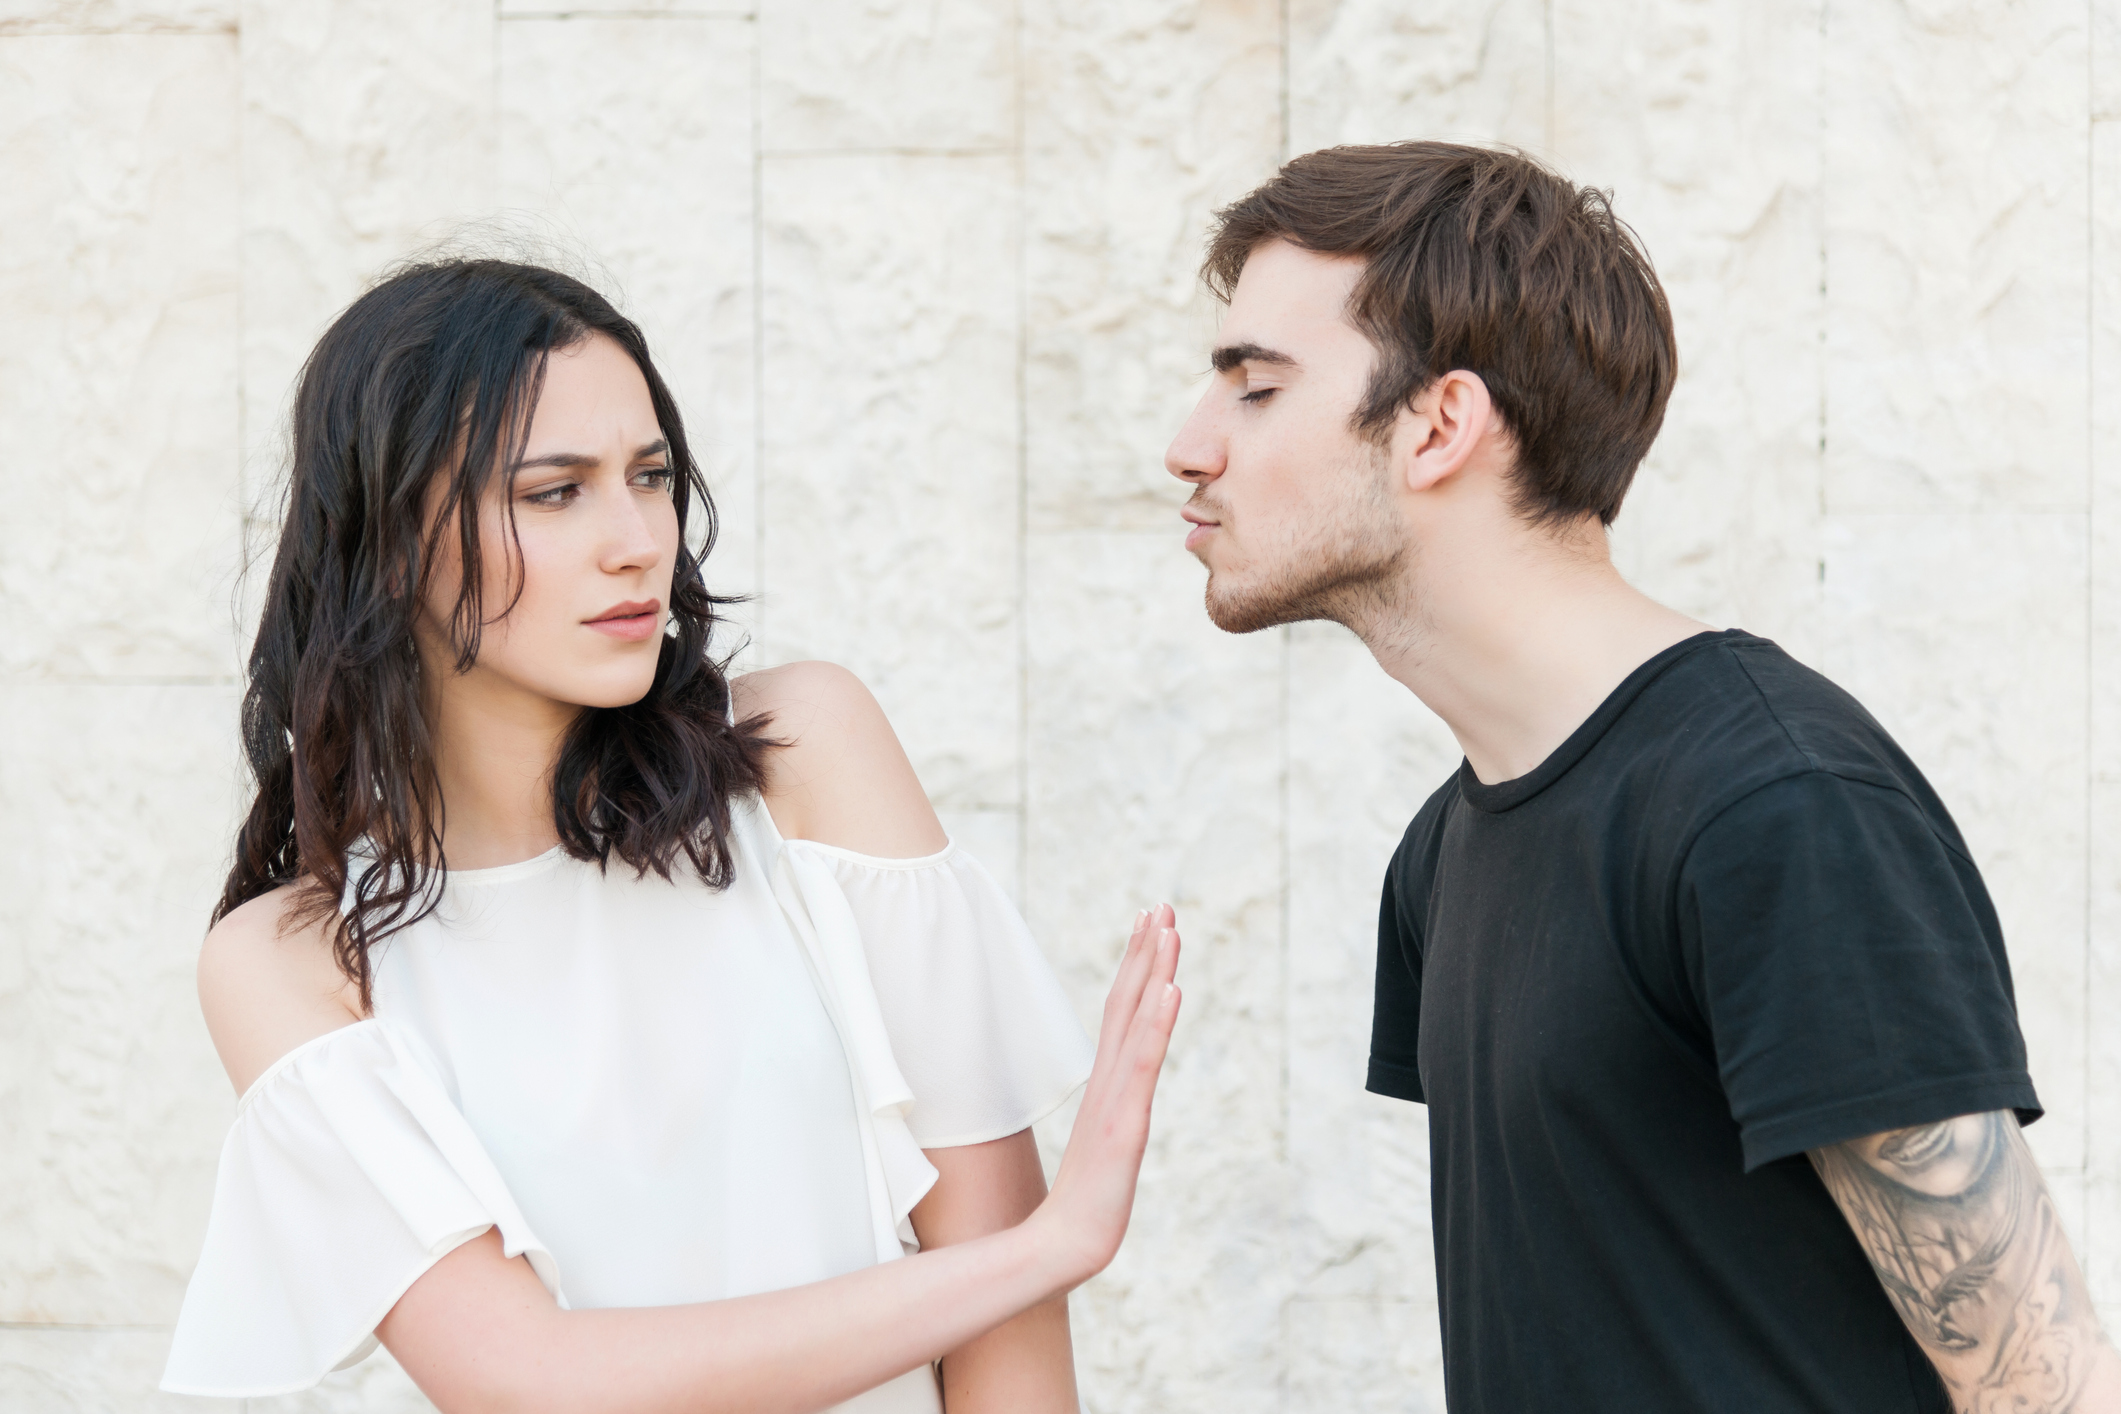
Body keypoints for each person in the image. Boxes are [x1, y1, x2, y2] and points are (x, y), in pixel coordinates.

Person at [1164, 141, 2121, 1413]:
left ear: (1440, 425)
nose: (1190, 446)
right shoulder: (1442, 856)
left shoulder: (1774, 809)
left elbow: (2041, 1382)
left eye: (1254, 388)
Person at [160, 258, 1183, 1414]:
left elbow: (1014, 1367)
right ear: (391, 539)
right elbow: (529, 1379)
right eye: (555, 492)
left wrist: (1017, 1267)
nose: (639, 540)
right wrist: (1042, 1251)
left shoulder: (804, 756)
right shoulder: (294, 957)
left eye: (651, 476)